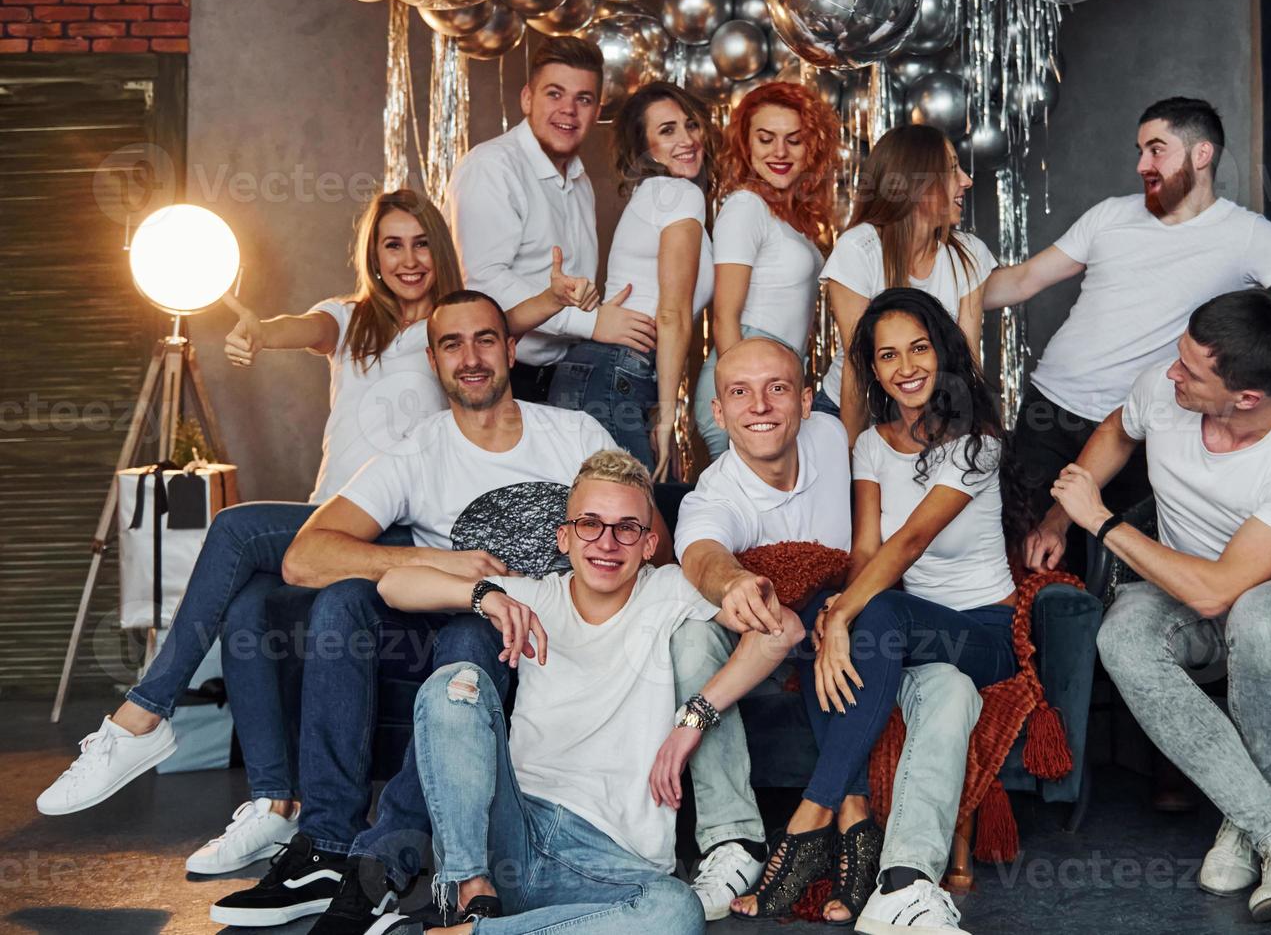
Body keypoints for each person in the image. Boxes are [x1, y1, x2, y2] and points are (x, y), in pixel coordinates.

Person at [34, 190, 472, 878]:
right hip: (326, 521)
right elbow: (296, 327)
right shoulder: (350, 321)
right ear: (373, 255)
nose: (409, 259)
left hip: (396, 531)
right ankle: (275, 806)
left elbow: (522, 323)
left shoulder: (456, 328)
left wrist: (580, 306)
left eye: (421, 243)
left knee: (236, 529)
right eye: (393, 244)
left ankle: (141, 716)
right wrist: (258, 333)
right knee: (246, 607)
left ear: (439, 250)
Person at [206, 291, 669, 930]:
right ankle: (326, 846)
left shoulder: (574, 435)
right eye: (452, 344)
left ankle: (384, 862)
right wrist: (448, 567)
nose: (471, 357)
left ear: (511, 350)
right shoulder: (419, 449)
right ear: (433, 360)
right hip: (447, 609)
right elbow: (305, 559)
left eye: (485, 339)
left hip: (525, 634)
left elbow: (652, 535)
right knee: (343, 603)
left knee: (468, 646)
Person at [731, 290, 1098, 931]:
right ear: (873, 369)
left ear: (944, 353)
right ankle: (870, 851)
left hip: (981, 634)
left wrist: (846, 616)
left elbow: (909, 543)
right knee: (831, 604)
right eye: (888, 354)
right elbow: (868, 548)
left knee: (866, 613)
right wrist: (835, 612)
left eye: (919, 348)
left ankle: (809, 818)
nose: (906, 366)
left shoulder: (976, 444)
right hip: (904, 631)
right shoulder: (871, 445)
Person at [364, 449, 805, 935]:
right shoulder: (534, 594)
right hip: (512, 833)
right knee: (455, 684)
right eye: (590, 524)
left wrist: (693, 718)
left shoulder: (669, 591)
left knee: (677, 912)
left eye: (626, 528)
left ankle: (465, 934)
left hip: (611, 862)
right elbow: (393, 584)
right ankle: (472, 893)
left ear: (648, 543)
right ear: (566, 537)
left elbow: (782, 630)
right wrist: (484, 595)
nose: (607, 543)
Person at [1034, 288, 1271, 923]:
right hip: (1178, 579)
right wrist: (1057, 521)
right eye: (1179, 356)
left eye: (1191, 370)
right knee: (1121, 636)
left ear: (1246, 398)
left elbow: (1219, 589)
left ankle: (1246, 829)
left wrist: (1098, 522)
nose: (1170, 373)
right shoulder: (1165, 388)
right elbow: (1118, 430)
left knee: (1259, 621)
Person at [671, 336, 984, 926]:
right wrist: (733, 581)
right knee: (691, 637)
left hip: (861, 633)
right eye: (739, 392)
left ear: (808, 401)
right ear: (717, 412)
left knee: (951, 686)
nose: (760, 405)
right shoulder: (715, 493)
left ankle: (905, 881)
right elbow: (702, 552)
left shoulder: (835, 440)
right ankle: (733, 844)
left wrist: (839, 613)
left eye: (778, 389)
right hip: (771, 645)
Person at [983, 97, 1271, 531]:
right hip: (1049, 413)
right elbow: (1023, 281)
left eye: (1156, 149)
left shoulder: (1249, 236)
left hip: (1140, 429)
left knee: (1111, 566)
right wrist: (934, 288)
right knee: (1020, 547)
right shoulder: (1109, 215)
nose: (1142, 164)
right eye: (1139, 151)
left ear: (1201, 154)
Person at [446, 35, 656, 404]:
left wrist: (602, 308)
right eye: (554, 94)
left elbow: (571, 289)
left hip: (564, 378)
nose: (569, 110)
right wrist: (594, 323)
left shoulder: (580, 180)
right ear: (527, 98)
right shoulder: (492, 167)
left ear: (597, 110)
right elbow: (485, 285)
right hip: (503, 381)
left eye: (583, 99)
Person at [548, 82, 719, 478]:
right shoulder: (678, 195)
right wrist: (667, 417)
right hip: (619, 374)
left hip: (596, 372)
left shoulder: (657, 195)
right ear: (645, 147)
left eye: (690, 125)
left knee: (598, 520)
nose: (686, 140)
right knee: (633, 521)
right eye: (667, 130)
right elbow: (672, 313)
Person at [816, 123, 995, 444]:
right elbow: (858, 369)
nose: (967, 181)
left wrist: (965, 442)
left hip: (929, 415)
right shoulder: (859, 248)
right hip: (853, 414)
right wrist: (850, 460)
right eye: (952, 169)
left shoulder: (969, 252)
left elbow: (966, 365)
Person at [691, 81, 840, 458]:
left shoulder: (789, 218)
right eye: (765, 138)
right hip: (747, 383)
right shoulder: (746, 206)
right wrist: (741, 395)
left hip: (777, 381)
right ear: (746, 144)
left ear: (812, 147)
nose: (780, 151)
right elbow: (725, 316)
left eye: (794, 139)